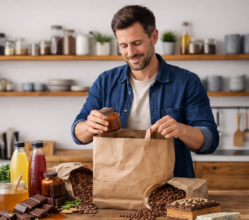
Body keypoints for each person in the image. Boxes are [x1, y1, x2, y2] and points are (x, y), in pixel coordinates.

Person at [71, 5, 219, 178]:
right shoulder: (105, 82)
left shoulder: (188, 82)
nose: (131, 52)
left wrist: (182, 130)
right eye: (123, 45)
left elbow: (210, 141)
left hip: (171, 187)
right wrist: (89, 126)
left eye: (137, 43)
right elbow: (77, 133)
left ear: (154, 36)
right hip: (117, 186)